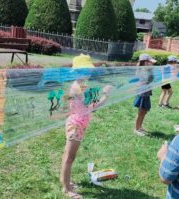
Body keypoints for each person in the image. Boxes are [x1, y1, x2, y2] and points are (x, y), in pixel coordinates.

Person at [60, 54, 112, 199]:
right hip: (76, 125)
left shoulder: (81, 84)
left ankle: (65, 181)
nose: (89, 73)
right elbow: (92, 106)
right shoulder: (78, 87)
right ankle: (66, 188)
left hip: (78, 123)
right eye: (86, 70)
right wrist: (106, 95)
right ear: (78, 71)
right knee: (70, 157)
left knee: (68, 155)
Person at [134, 53, 157, 136]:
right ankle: (136, 129)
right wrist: (151, 70)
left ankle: (140, 127)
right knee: (140, 112)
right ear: (145, 62)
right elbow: (148, 79)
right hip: (142, 93)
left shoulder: (148, 69)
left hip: (146, 93)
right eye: (150, 62)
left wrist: (151, 70)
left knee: (144, 111)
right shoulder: (142, 70)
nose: (152, 63)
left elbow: (151, 80)